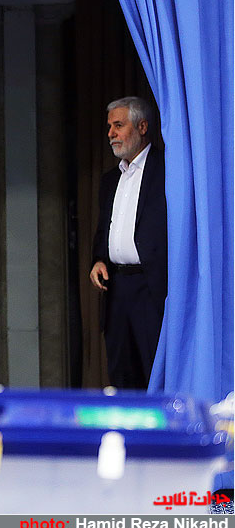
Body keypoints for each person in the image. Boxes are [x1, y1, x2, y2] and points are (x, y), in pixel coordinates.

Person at [90, 96, 166, 389]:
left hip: (151, 288)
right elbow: (104, 230)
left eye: (118, 125)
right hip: (117, 288)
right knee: (121, 374)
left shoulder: (167, 171)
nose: (111, 133)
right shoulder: (110, 179)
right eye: (109, 126)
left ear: (142, 127)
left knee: (153, 373)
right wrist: (98, 260)